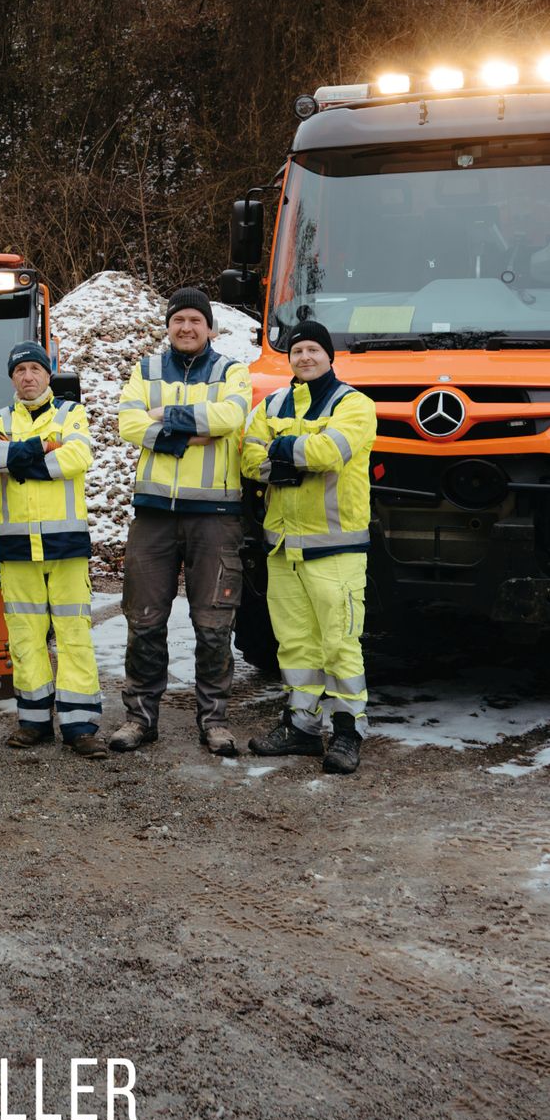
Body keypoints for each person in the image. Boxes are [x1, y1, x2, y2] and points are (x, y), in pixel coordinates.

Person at [112, 287, 252, 757]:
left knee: (213, 625)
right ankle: (139, 718)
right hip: (153, 515)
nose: (187, 327)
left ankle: (214, 721)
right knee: (144, 619)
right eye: (179, 320)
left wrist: (163, 418)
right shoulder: (146, 369)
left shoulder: (231, 371)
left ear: (210, 327)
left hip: (215, 517)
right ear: (168, 326)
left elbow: (230, 417)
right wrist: (184, 436)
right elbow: (127, 423)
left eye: (196, 320)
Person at [240, 320, 377, 774]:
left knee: (340, 644)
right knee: (296, 646)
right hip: (283, 549)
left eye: (314, 349)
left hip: (335, 549)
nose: (305, 357)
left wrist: (283, 451)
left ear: (329, 356)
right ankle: (300, 728)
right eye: (298, 351)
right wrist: (292, 456)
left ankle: (346, 732)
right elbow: (250, 459)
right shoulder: (274, 402)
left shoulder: (354, 405)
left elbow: (330, 453)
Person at [0, 342, 105, 758]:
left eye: (35, 369)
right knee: (25, 637)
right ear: (12, 377)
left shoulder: (72, 414)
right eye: (20, 370)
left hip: (65, 545)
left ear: (49, 375)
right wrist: (43, 447)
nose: (28, 377)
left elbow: (77, 457)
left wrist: (17, 459)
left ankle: (79, 724)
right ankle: (33, 721)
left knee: (73, 636)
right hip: (17, 548)